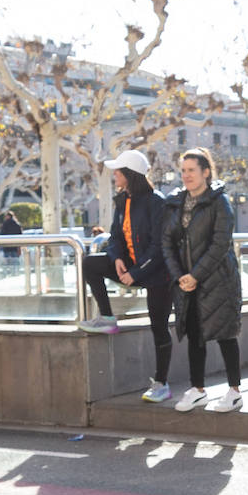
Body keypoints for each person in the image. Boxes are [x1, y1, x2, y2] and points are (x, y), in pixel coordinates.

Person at [80, 148, 175, 402]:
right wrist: (118, 259)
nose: (114, 176)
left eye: (118, 171)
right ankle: (107, 318)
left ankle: (162, 383)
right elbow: (116, 237)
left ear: (129, 174)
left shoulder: (157, 202)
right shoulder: (122, 200)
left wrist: (135, 272)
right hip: (131, 267)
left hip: (157, 274)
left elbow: (159, 247)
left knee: (159, 327)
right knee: (90, 263)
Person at [162, 148, 244, 412]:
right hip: (187, 282)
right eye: (183, 170)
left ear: (205, 172)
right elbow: (167, 242)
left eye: (191, 170)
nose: (186, 175)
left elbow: (220, 244)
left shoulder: (220, 202)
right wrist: (181, 277)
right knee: (195, 334)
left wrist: (195, 275)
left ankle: (234, 390)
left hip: (218, 280)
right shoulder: (175, 202)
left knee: (225, 334)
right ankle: (197, 389)